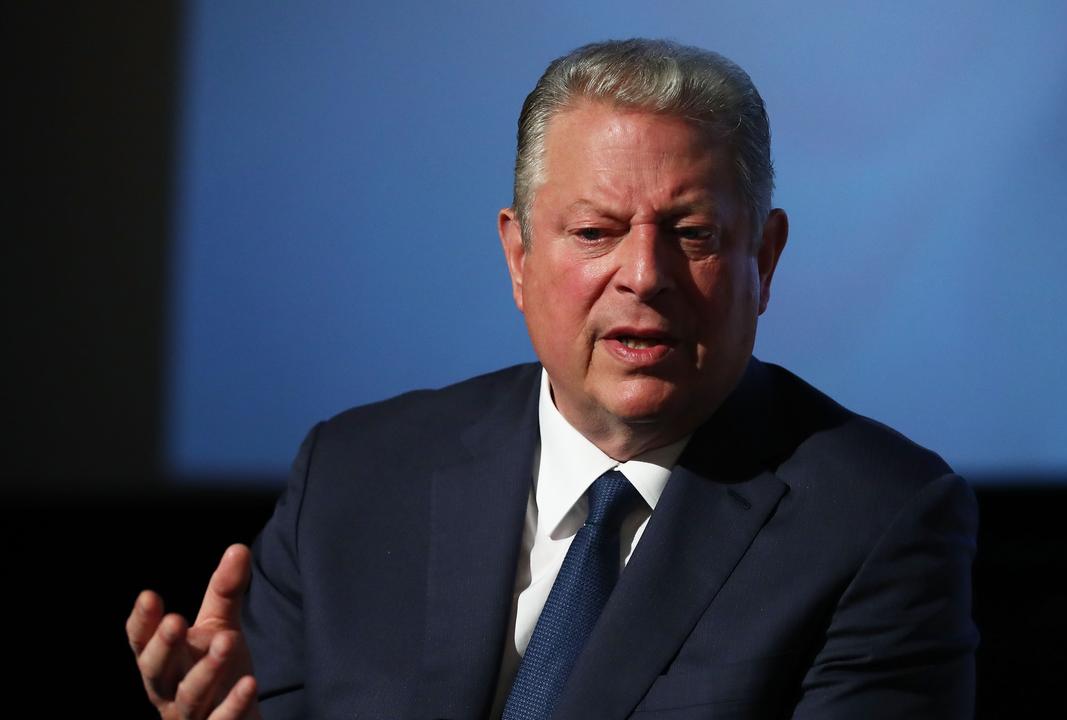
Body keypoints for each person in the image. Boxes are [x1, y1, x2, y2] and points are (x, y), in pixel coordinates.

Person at [127, 38, 978, 719]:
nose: (644, 274)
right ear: (518, 255)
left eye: (690, 232)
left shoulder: (876, 518)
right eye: (595, 231)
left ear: (765, 255)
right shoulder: (352, 478)